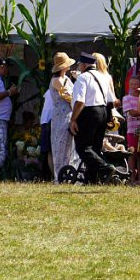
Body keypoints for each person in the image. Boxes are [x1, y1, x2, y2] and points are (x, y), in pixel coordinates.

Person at [70, 52, 118, 183]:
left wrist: (73, 119)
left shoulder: (83, 77)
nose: (79, 66)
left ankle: (105, 168)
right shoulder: (103, 77)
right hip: (103, 111)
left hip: (89, 113)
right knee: (95, 147)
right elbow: (110, 100)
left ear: (84, 64)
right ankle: (92, 179)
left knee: (83, 147)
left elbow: (80, 102)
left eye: (80, 64)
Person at [48, 52, 76, 183]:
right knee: (60, 145)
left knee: (69, 145)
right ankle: (59, 176)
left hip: (69, 114)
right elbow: (67, 95)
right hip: (61, 115)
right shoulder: (57, 80)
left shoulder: (67, 79)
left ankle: (68, 174)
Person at [123, 76, 140, 182]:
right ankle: (132, 178)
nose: (134, 87)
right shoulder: (126, 98)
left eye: (136, 84)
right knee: (132, 154)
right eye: (132, 84)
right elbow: (133, 113)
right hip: (132, 131)